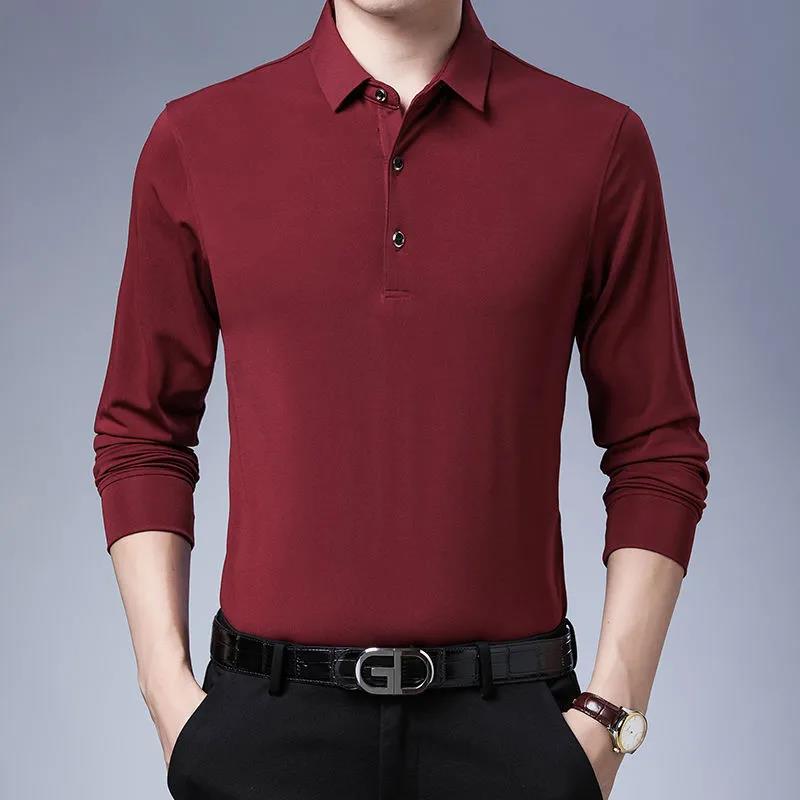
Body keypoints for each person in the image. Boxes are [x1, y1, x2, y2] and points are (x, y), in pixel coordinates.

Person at [91, 1, 711, 798]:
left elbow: (658, 444)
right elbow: (142, 429)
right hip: (263, 735)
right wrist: (167, 693)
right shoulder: (197, 138)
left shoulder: (597, 143)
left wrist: (609, 715)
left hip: (511, 740)